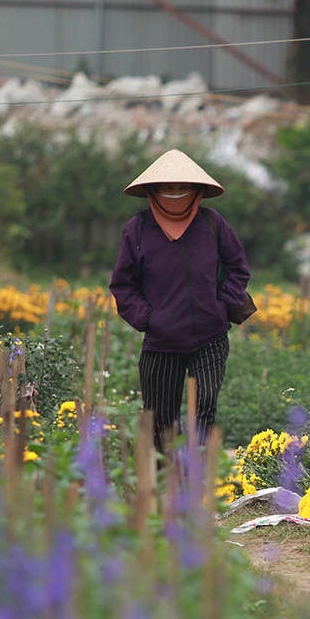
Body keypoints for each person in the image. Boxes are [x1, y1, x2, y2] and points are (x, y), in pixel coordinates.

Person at [110, 149, 251, 450]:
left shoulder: (212, 224)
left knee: (203, 410)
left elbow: (238, 267)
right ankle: (163, 489)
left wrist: (221, 305)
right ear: (153, 192)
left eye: (181, 188)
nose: (175, 195)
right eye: (167, 189)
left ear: (196, 191)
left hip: (210, 337)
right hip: (161, 342)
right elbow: (123, 285)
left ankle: (196, 484)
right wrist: (150, 319)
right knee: (160, 423)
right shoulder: (137, 230)